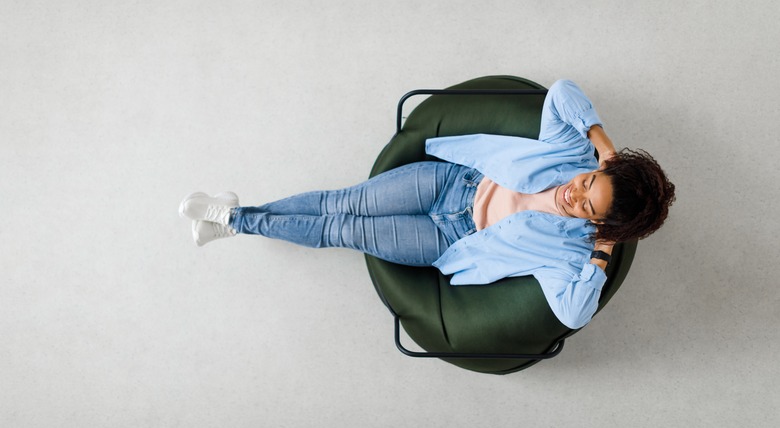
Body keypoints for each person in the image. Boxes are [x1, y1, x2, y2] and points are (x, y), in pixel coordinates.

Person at [179, 79, 675, 329]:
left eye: (587, 207)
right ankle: (233, 215)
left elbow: (572, 314)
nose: (574, 193)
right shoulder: (573, 153)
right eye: (589, 183)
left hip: (448, 238)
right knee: (341, 201)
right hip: (450, 185)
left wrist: (603, 249)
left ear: (602, 225)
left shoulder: (572, 256)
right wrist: (604, 147)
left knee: (342, 230)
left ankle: (233, 219)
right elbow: (564, 90)